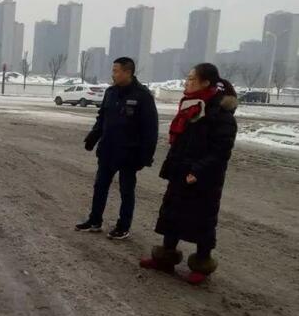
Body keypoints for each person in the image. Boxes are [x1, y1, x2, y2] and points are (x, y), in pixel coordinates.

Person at [140, 63, 238, 284]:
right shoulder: (190, 107)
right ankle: (165, 258)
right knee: (172, 214)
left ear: (206, 83)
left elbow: (221, 151)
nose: (187, 82)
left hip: (204, 179)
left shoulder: (220, 113)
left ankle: (202, 265)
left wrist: (198, 170)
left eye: (192, 79)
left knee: (202, 220)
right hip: (181, 171)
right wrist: (172, 166)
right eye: (188, 77)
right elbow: (181, 142)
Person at [75, 57, 158, 239]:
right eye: (113, 71)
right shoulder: (111, 92)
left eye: (116, 71)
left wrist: (146, 156)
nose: (113, 74)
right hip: (108, 151)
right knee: (100, 187)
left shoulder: (142, 96)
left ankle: (123, 226)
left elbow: (150, 129)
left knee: (126, 191)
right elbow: (102, 118)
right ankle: (94, 220)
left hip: (130, 154)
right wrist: (93, 137)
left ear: (128, 72)